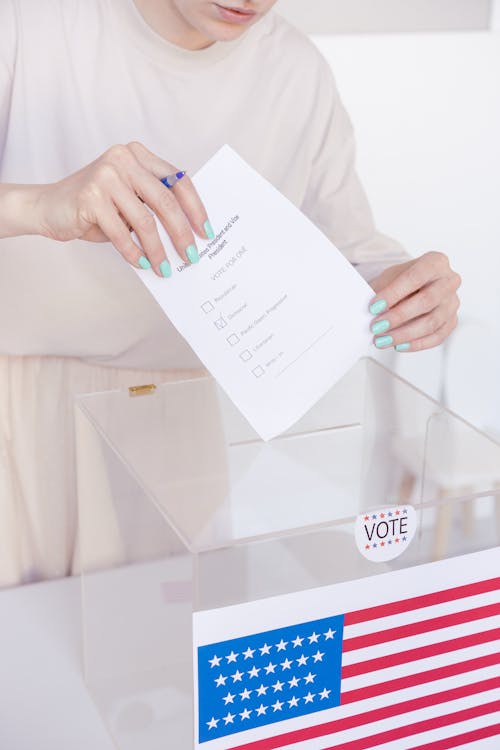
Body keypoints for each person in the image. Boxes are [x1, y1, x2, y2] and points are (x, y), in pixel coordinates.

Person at [0, 0, 461, 587]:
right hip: (15, 405)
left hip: (180, 424)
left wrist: (408, 291)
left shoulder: (296, 71)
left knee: (162, 664)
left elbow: (352, 251)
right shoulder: (30, 21)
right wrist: (38, 205)